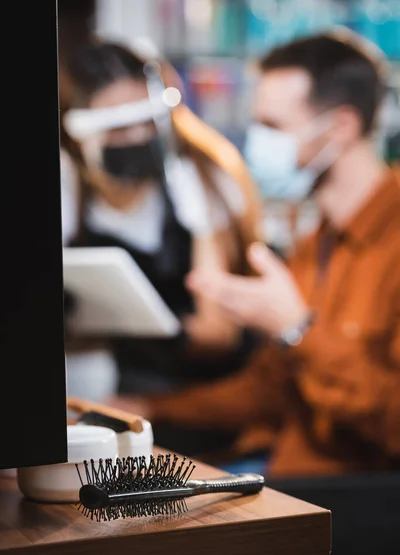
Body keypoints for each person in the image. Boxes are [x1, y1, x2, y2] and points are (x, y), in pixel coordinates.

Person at [117, 30, 400, 477]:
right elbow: (267, 392)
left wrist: (296, 331)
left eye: (273, 127)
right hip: (280, 465)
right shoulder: (317, 242)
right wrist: (146, 407)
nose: (257, 143)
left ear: (341, 126)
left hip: (355, 495)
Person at [61, 40, 263, 459]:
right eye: (117, 127)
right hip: (117, 398)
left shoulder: (200, 185)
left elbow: (218, 334)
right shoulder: (69, 194)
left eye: (147, 121)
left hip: (208, 400)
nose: (136, 137)